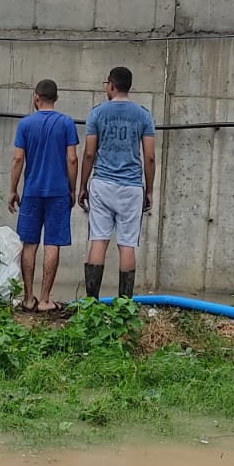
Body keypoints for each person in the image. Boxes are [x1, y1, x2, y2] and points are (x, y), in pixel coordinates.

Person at [77, 66, 156, 300]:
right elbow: (149, 157)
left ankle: (91, 303)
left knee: (98, 240)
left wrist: (83, 185)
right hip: (131, 187)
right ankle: (125, 305)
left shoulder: (97, 113)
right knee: (127, 244)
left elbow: (89, 153)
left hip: (102, 183)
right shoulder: (143, 115)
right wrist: (149, 190)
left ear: (111, 85)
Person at [7, 79, 79, 312]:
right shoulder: (66, 122)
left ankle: (28, 299)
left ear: (36, 97)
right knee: (52, 244)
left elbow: (18, 159)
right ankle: (46, 299)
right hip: (58, 192)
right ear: (55, 98)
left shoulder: (25, 124)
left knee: (30, 243)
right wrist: (72, 188)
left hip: (31, 192)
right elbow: (72, 159)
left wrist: (12, 189)